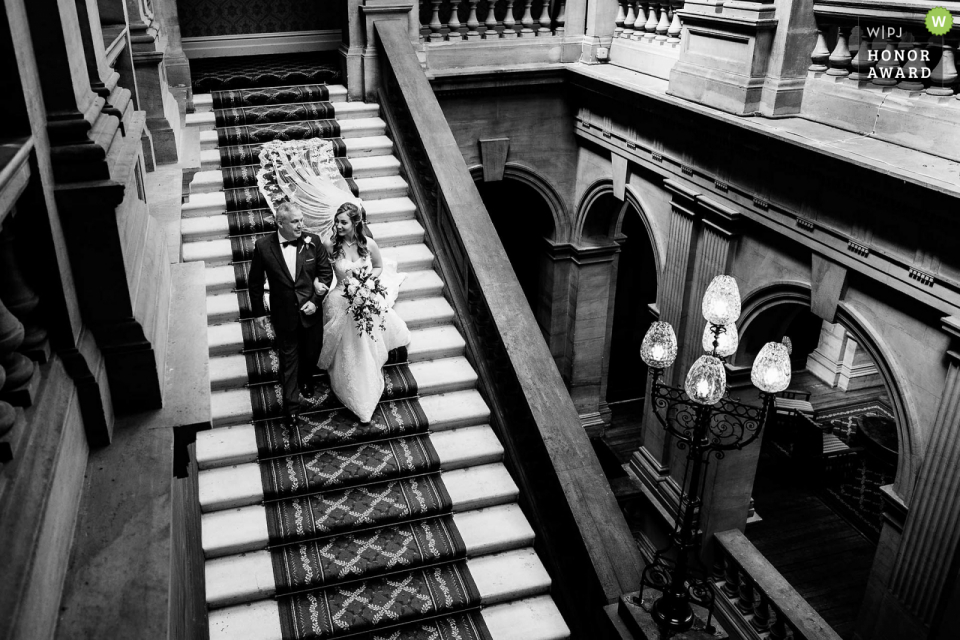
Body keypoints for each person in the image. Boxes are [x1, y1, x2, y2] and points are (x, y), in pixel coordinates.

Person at [317, 203, 411, 423]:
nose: (338, 226)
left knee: (365, 335)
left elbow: (378, 266)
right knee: (348, 336)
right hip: (340, 296)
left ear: (355, 223)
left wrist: (367, 283)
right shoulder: (329, 244)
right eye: (337, 221)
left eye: (343, 222)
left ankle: (367, 376)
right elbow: (319, 270)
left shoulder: (368, 244)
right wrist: (318, 284)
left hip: (364, 295)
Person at [248, 202, 334, 422]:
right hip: (284, 313)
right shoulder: (263, 246)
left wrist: (315, 301)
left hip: (311, 312)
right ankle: (292, 407)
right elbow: (255, 282)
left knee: (311, 353)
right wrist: (259, 312)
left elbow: (325, 274)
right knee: (289, 359)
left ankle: (306, 379)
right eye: (295, 221)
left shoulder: (312, 241)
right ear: (280, 223)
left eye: (301, 220)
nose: (300, 225)